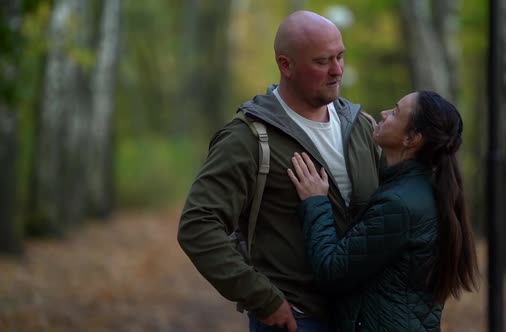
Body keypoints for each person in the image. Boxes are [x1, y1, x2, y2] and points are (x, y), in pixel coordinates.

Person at [177, 10, 381, 332]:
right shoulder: (247, 138)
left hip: (366, 317)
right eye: (322, 61)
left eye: (340, 57)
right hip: (298, 320)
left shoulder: (361, 127)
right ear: (286, 65)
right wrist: (262, 298)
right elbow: (198, 225)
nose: (337, 70)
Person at [287, 91, 480, 331]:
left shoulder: (399, 205)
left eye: (395, 112)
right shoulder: (419, 189)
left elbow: (331, 271)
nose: (384, 114)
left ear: (412, 139)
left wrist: (316, 202)